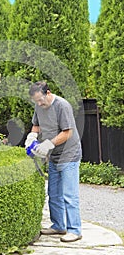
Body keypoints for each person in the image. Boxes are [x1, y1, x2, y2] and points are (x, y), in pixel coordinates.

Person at [25, 81, 82, 242]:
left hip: (69, 154)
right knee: (53, 193)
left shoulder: (62, 106)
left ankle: (75, 230)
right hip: (54, 156)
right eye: (36, 101)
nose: (39, 103)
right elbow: (36, 125)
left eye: (41, 100)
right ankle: (58, 226)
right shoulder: (39, 106)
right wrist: (32, 137)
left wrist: (48, 144)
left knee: (69, 195)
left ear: (48, 93)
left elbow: (67, 132)